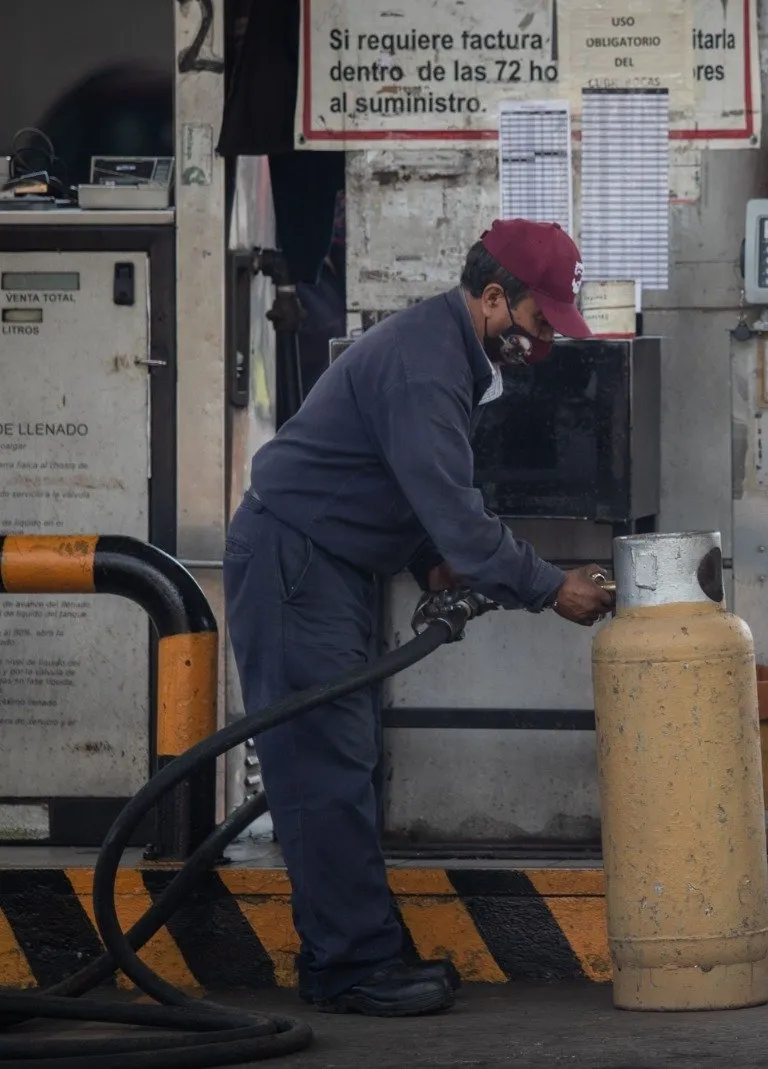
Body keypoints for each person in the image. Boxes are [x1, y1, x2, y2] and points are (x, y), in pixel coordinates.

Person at [223, 219, 615, 1017]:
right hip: (295, 561)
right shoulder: (428, 366)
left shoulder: (446, 351)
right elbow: (463, 522)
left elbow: (394, 482)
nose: (540, 347)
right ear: (495, 297)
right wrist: (550, 588)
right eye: (538, 325)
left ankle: (361, 944)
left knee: (349, 754)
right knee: (323, 759)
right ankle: (348, 966)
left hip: (325, 560)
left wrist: (425, 563)